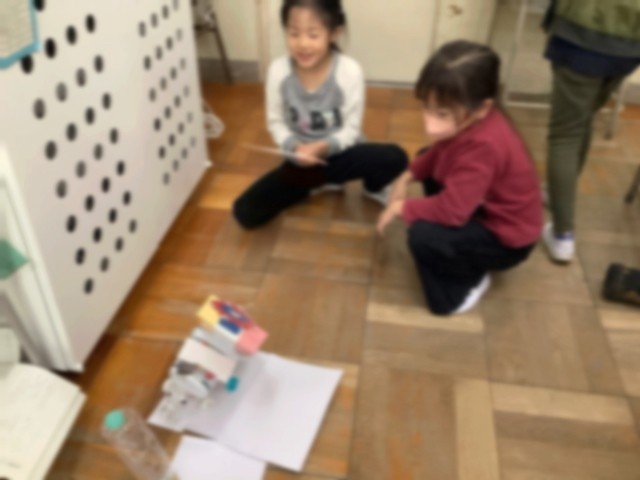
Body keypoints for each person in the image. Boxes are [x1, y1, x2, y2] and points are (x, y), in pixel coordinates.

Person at [377, 41, 543, 315]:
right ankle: (461, 248)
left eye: (442, 113)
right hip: (485, 211)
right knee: (426, 159)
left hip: (507, 240)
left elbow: (452, 211)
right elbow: (440, 151)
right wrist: (407, 176)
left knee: (422, 237)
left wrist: (400, 207)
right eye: (426, 107)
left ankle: (466, 285)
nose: (430, 123)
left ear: (482, 108)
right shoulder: (475, 120)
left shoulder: (485, 145)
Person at [233, 0, 408, 229]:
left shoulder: (349, 71)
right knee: (245, 212)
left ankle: (370, 187)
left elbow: (351, 129)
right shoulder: (278, 71)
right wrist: (295, 147)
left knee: (395, 157)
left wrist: (322, 147)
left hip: (343, 154)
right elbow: (275, 122)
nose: (302, 44)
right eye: (294, 33)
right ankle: (318, 181)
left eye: (313, 34)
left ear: (334, 33)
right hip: (302, 161)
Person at [542, 0, 640, 262]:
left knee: (565, 134)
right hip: (630, 39)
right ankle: (557, 194)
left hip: (583, 33)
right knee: (583, 119)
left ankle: (562, 235)